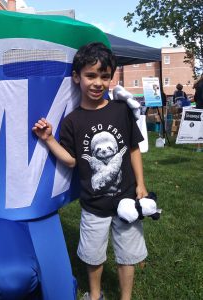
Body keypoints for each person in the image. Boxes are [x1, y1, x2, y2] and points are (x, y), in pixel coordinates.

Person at [33, 42, 149, 300]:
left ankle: (125, 297)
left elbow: (132, 149)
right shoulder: (73, 120)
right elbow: (72, 161)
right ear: (77, 77)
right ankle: (95, 295)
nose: (98, 82)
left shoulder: (121, 111)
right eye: (91, 75)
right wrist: (49, 139)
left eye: (104, 76)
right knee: (93, 254)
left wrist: (141, 184)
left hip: (127, 201)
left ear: (111, 78)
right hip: (93, 204)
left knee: (127, 255)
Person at [193, 75, 203, 152]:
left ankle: (199, 147)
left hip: (198, 108)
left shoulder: (198, 84)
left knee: (199, 128)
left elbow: (195, 98)